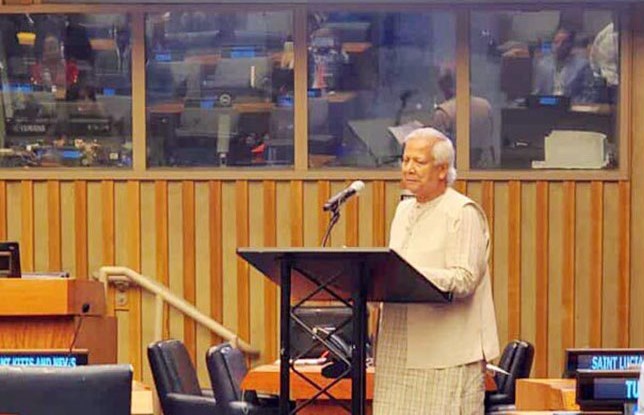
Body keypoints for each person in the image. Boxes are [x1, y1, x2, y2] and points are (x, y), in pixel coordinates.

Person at [373, 127, 499, 415]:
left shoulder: (462, 212)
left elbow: (465, 279)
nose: (408, 168)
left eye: (419, 162)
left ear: (442, 170)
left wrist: (408, 274)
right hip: (398, 347)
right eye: (405, 160)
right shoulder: (404, 210)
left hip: (446, 354)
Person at [430, 69, 496, 168]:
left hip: (455, 169)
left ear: (445, 86)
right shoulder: (486, 106)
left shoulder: (443, 113)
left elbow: (438, 151)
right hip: (484, 168)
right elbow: (490, 140)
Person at [532, 27, 596, 103]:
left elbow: (589, 95)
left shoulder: (582, 65)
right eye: (556, 42)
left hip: (571, 107)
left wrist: (572, 105)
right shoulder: (543, 65)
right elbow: (537, 93)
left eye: (564, 43)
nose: (559, 46)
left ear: (570, 45)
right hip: (548, 106)